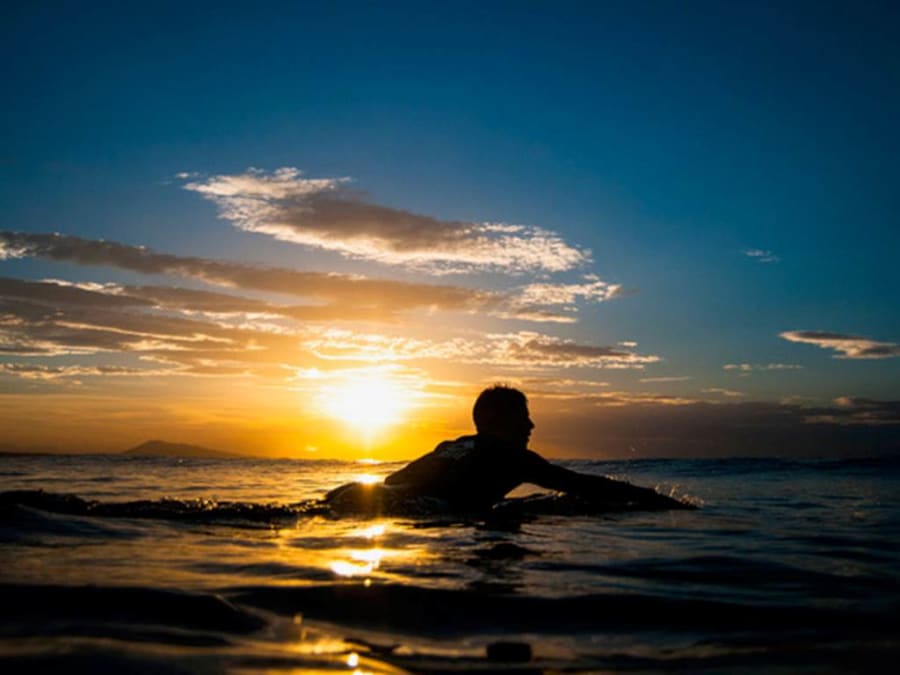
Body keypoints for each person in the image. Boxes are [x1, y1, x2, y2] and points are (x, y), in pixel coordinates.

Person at [325, 385, 693, 515]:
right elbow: (583, 485)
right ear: (501, 421)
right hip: (411, 508)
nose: (531, 426)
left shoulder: (453, 446)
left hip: (358, 494)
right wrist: (666, 502)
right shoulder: (510, 456)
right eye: (523, 418)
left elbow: (394, 481)